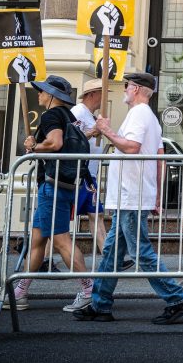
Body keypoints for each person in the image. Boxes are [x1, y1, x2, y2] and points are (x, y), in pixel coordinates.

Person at [73, 72, 183, 325]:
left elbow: (131, 147)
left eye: (127, 85)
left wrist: (106, 130)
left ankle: (176, 297)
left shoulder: (140, 114)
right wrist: (157, 196)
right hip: (131, 194)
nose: (124, 89)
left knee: (139, 251)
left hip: (131, 194)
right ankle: (100, 304)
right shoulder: (146, 116)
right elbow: (159, 155)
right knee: (111, 253)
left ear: (136, 89)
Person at [6, 75, 92, 311]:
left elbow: (55, 143)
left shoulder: (51, 115)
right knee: (37, 241)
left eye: (42, 91)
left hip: (53, 186)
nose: (39, 95)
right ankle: (20, 292)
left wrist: (34, 147)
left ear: (53, 96)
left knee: (61, 241)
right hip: (62, 184)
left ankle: (88, 290)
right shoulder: (70, 116)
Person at [70, 79, 108, 256]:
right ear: (92, 94)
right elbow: (71, 139)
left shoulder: (91, 115)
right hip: (79, 174)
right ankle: (41, 258)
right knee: (61, 221)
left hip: (89, 174)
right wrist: (92, 132)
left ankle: (109, 257)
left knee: (96, 216)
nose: (104, 98)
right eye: (102, 93)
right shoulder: (78, 112)